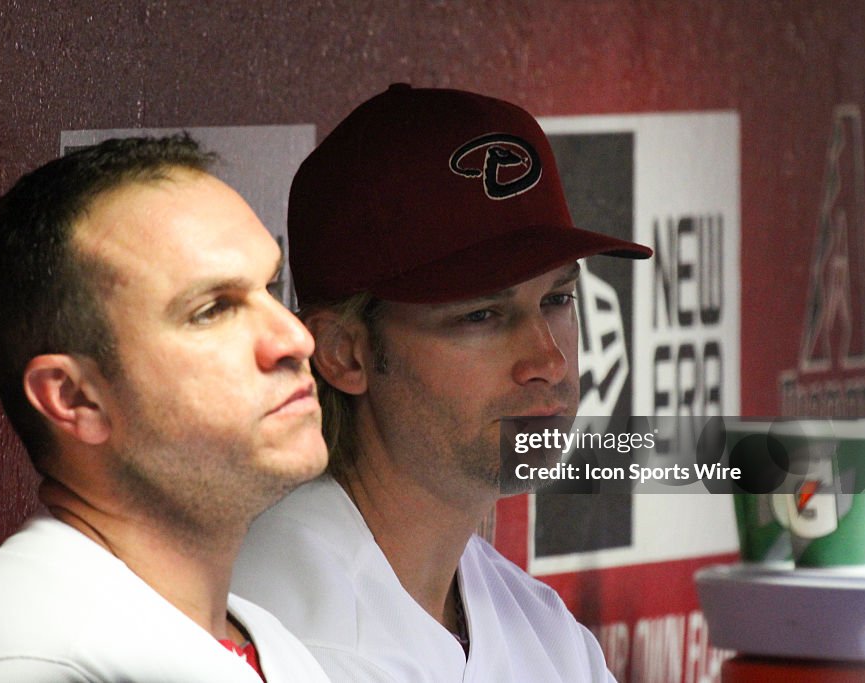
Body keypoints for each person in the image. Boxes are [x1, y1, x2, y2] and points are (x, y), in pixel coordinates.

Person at [232, 84, 652, 682]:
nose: (548, 360)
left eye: (557, 299)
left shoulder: (546, 633)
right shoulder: (260, 641)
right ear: (343, 354)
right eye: (481, 315)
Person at [0, 136, 330, 682]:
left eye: (272, 288)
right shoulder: (9, 657)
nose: (295, 339)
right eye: (213, 310)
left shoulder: (264, 640)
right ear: (74, 398)